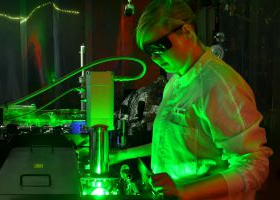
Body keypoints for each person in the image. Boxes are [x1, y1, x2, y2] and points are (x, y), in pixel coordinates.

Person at [110, 0, 273, 199]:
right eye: (149, 52)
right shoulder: (176, 82)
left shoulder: (220, 85)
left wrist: (183, 191)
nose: (156, 58)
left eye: (160, 46)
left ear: (187, 31)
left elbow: (254, 165)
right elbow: (172, 145)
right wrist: (121, 155)